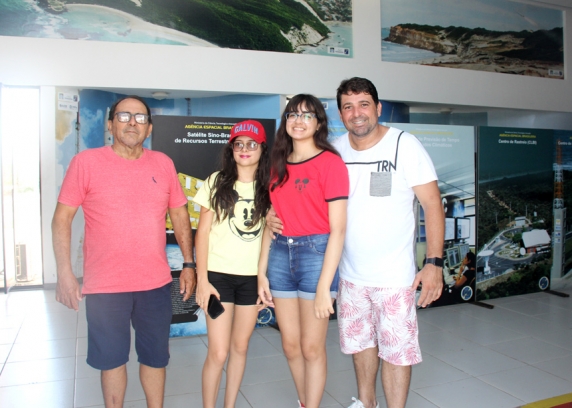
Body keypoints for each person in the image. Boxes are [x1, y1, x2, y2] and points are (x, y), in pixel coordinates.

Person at [266, 78, 444, 408]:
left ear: (377, 107)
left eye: (364, 104)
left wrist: (433, 263)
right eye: (348, 106)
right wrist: (273, 218)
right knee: (360, 346)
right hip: (349, 274)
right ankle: (365, 402)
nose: (356, 113)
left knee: (395, 350)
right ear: (339, 113)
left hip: (393, 277)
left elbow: (433, 204)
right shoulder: (334, 150)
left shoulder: (404, 145)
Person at [52, 95, 196, 408]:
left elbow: (181, 215)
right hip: (105, 287)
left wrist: (189, 264)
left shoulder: (163, 164)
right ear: (110, 124)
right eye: (124, 115)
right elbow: (61, 219)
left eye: (140, 118)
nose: (132, 122)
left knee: (156, 358)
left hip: (155, 284)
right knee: (112, 360)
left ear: (149, 129)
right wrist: (64, 273)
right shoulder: (86, 163)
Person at [258, 94, 349, 408]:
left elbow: (338, 229)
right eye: (292, 114)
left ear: (319, 123)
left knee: (312, 347)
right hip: (281, 255)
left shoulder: (330, 163)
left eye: (307, 115)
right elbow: (271, 221)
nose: (298, 121)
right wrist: (261, 274)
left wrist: (326, 286)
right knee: (290, 345)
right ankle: (304, 402)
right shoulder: (277, 164)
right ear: (285, 122)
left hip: (317, 254)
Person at [193, 120, 271, 408]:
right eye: (239, 144)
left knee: (240, 347)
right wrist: (203, 280)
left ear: (262, 148)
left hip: (251, 279)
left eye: (252, 144)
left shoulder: (270, 187)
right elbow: (201, 233)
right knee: (218, 352)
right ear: (231, 149)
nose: (245, 150)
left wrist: (263, 278)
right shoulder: (216, 181)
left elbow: (268, 235)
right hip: (219, 278)